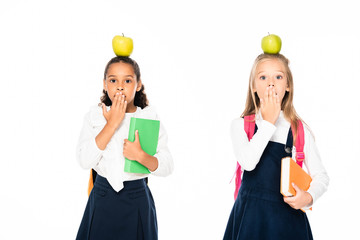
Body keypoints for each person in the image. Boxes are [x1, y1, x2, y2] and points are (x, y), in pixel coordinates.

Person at [223, 53, 329, 240]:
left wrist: (308, 197)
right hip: (250, 221)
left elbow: (321, 176)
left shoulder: (298, 130)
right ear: (254, 86)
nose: (271, 83)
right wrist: (269, 122)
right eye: (263, 77)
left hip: (287, 222)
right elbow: (248, 162)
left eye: (278, 77)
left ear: (288, 85)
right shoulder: (240, 125)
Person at [76, 56, 174, 240]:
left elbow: (168, 165)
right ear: (105, 84)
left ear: (138, 85)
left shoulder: (148, 117)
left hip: (137, 200)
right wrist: (111, 124)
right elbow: (84, 160)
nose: (120, 86)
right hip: (102, 198)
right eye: (113, 80)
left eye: (127, 80)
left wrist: (141, 156)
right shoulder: (95, 116)